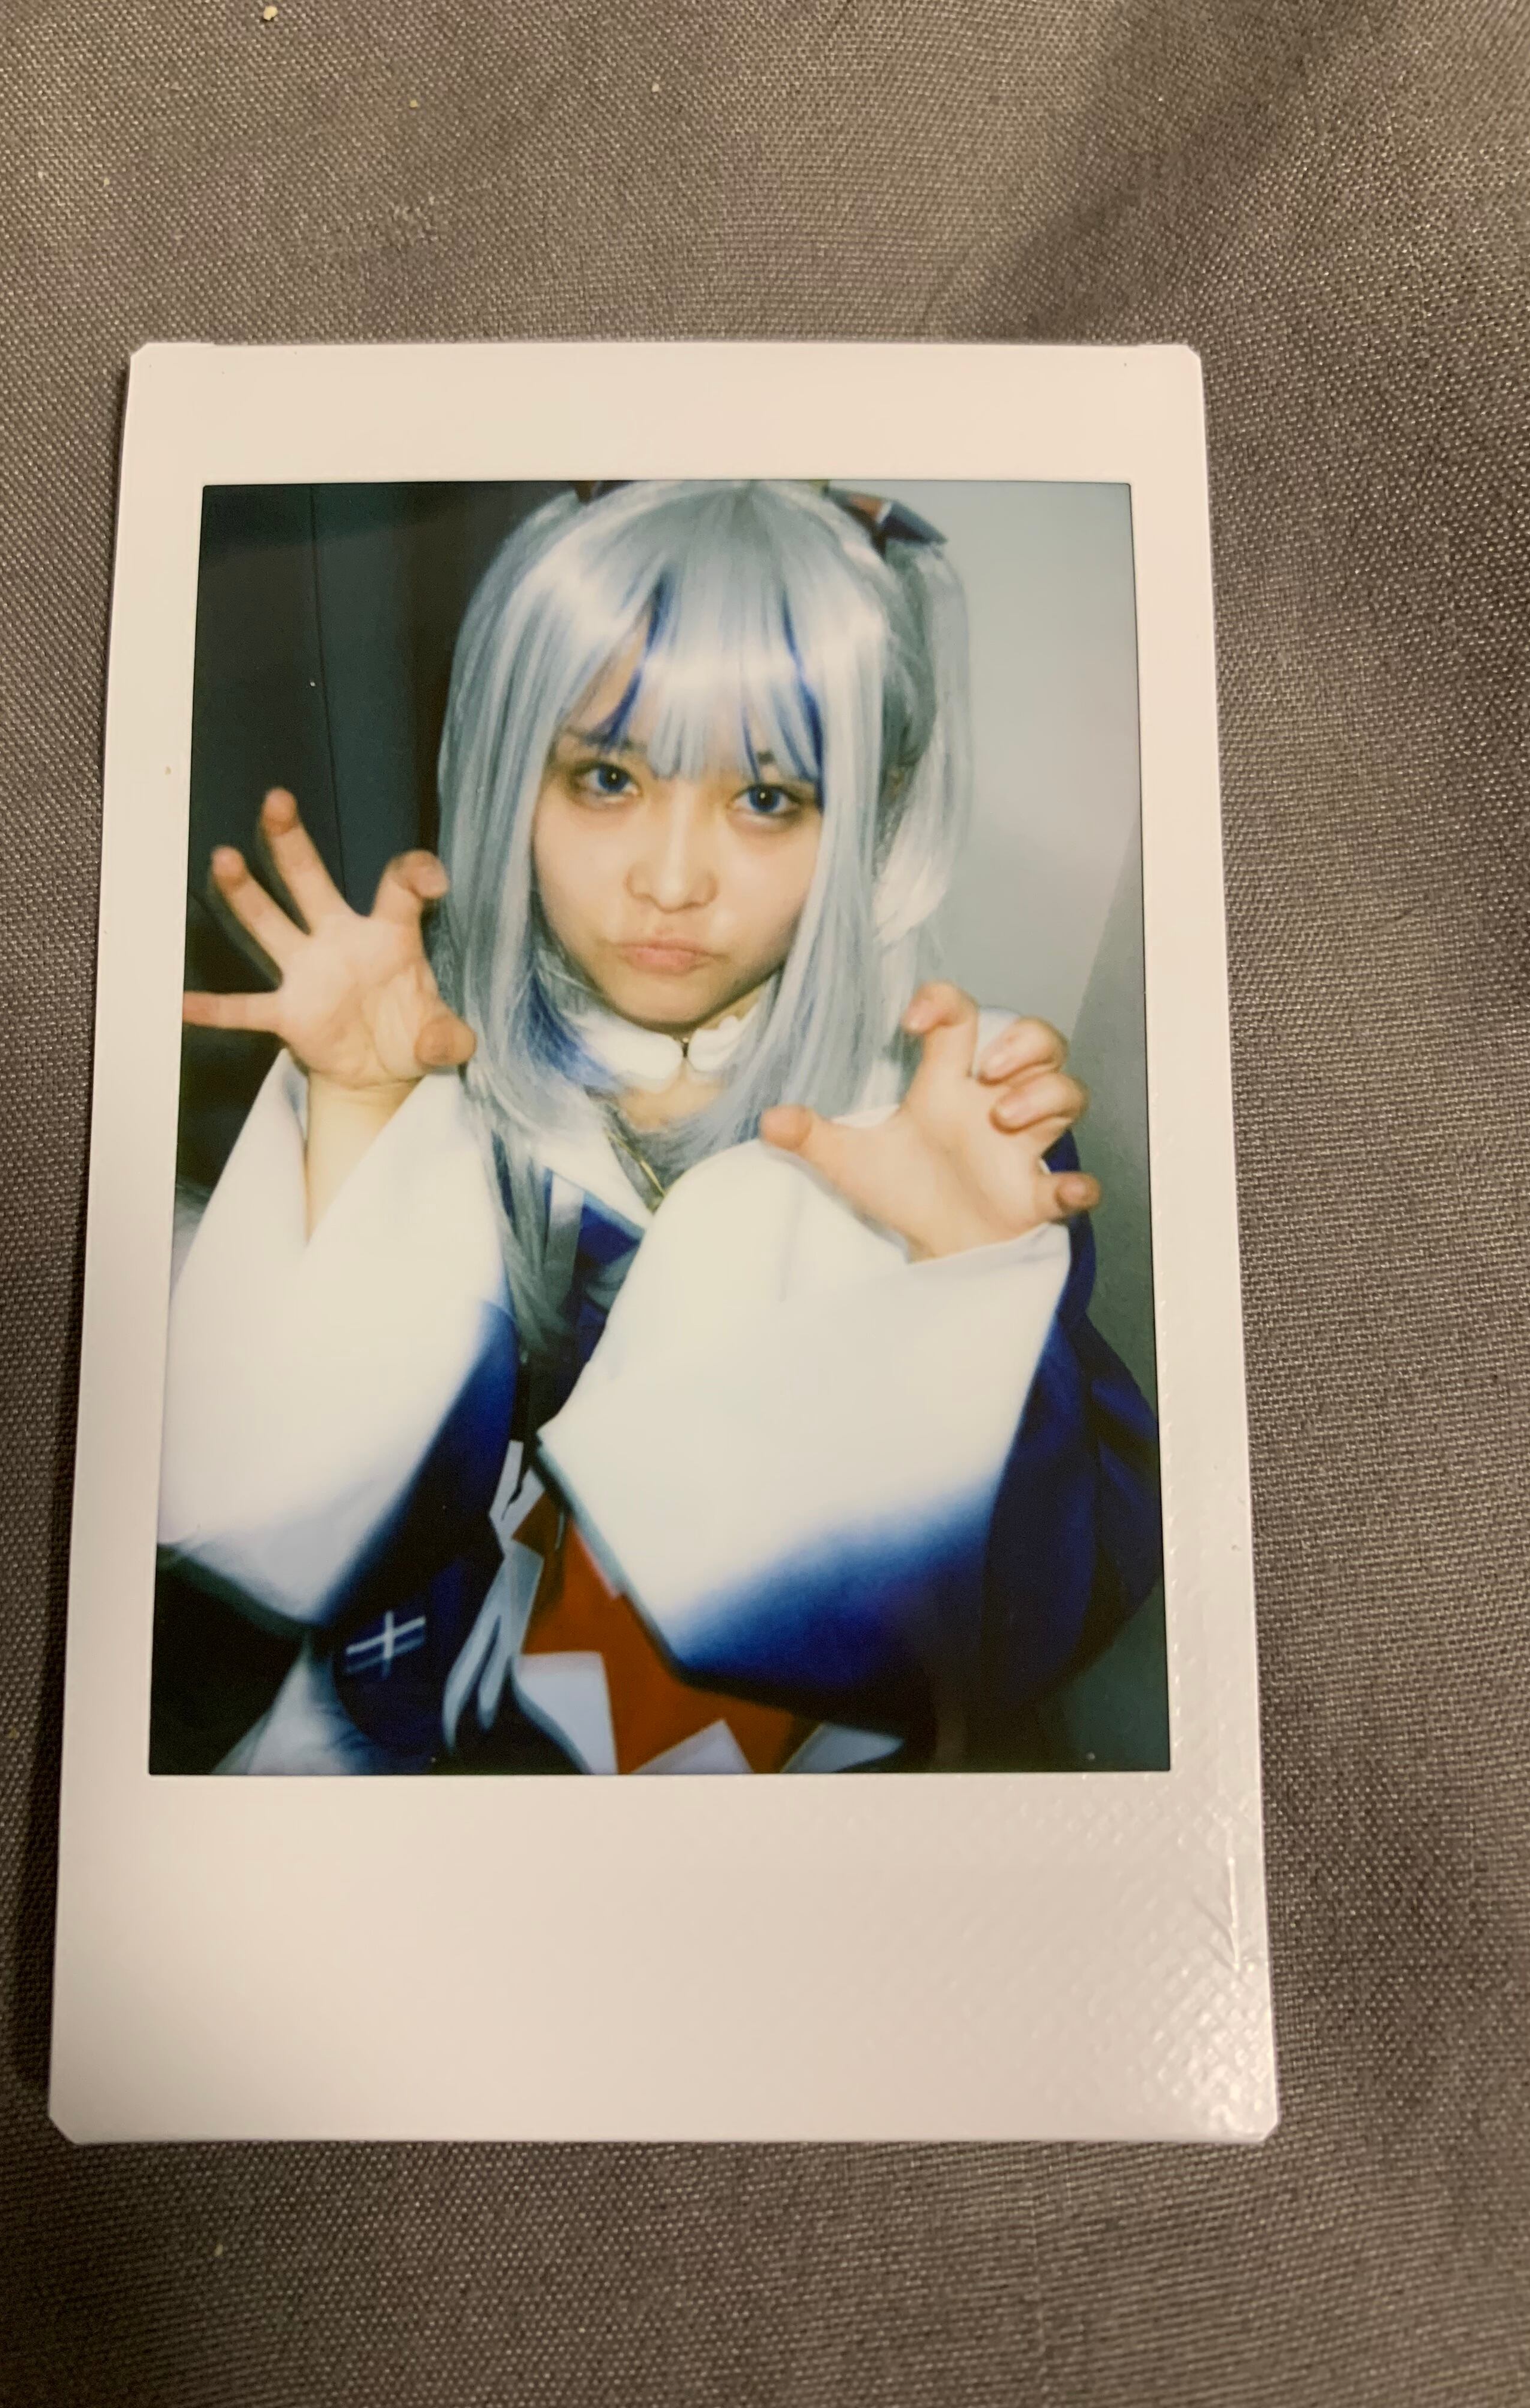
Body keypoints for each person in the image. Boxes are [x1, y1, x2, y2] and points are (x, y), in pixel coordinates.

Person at [158, 478, 1160, 1776]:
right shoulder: (447, 1055)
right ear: (514, 774)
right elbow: (315, 1499)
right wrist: (360, 1108)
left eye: (767, 799)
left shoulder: (950, 1115)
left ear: (873, 812)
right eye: (608, 776)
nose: (672, 881)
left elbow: (1023, 1614)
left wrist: (969, 1281)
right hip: (460, 1691)